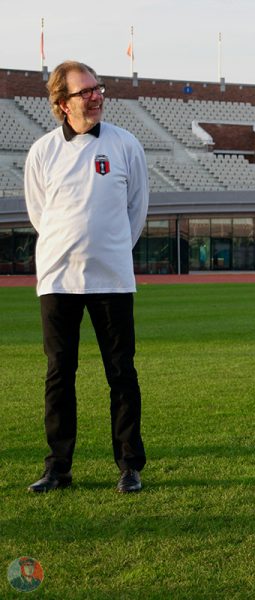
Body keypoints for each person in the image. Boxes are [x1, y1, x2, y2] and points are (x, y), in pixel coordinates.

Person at [24, 61, 149, 493]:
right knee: (60, 373)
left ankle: (129, 465)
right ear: (62, 104)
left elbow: (137, 210)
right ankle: (58, 467)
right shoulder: (42, 151)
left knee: (121, 373)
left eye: (98, 89)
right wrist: (69, 248)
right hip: (58, 281)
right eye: (85, 92)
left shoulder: (126, 144)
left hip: (112, 279)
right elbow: (39, 213)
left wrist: (109, 250)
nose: (95, 97)